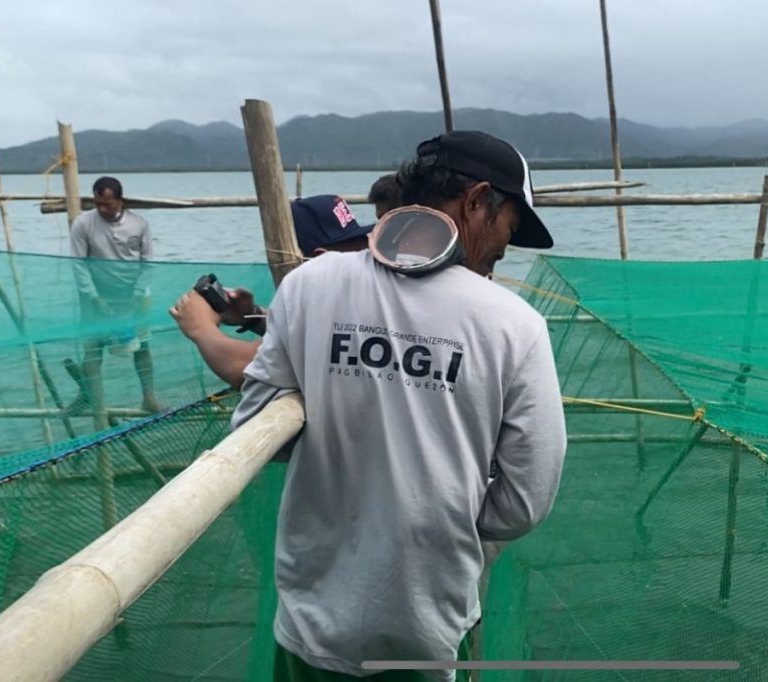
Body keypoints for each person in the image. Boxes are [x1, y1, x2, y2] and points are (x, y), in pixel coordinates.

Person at [231, 130, 567, 681]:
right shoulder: (514, 325)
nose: (507, 245)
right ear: (478, 201)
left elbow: (255, 430)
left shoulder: (308, 285)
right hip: (425, 623)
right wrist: (442, 510)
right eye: (511, 224)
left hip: (310, 618)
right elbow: (524, 502)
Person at [170, 193, 390, 388]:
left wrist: (200, 327)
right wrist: (254, 318)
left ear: (319, 258)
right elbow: (300, 341)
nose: (362, 254)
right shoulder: (372, 295)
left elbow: (242, 368)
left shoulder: (338, 311)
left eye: (360, 246)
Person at [69, 176, 162, 414]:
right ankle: (89, 396)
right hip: (97, 295)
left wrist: (137, 294)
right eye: (98, 203)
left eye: (108, 204)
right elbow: (78, 264)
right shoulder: (83, 223)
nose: (102, 208)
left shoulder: (139, 224)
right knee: (92, 347)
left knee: (141, 345)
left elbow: (147, 262)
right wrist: (93, 297)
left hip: (134, 294)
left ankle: (149, 397)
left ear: (119, 201)